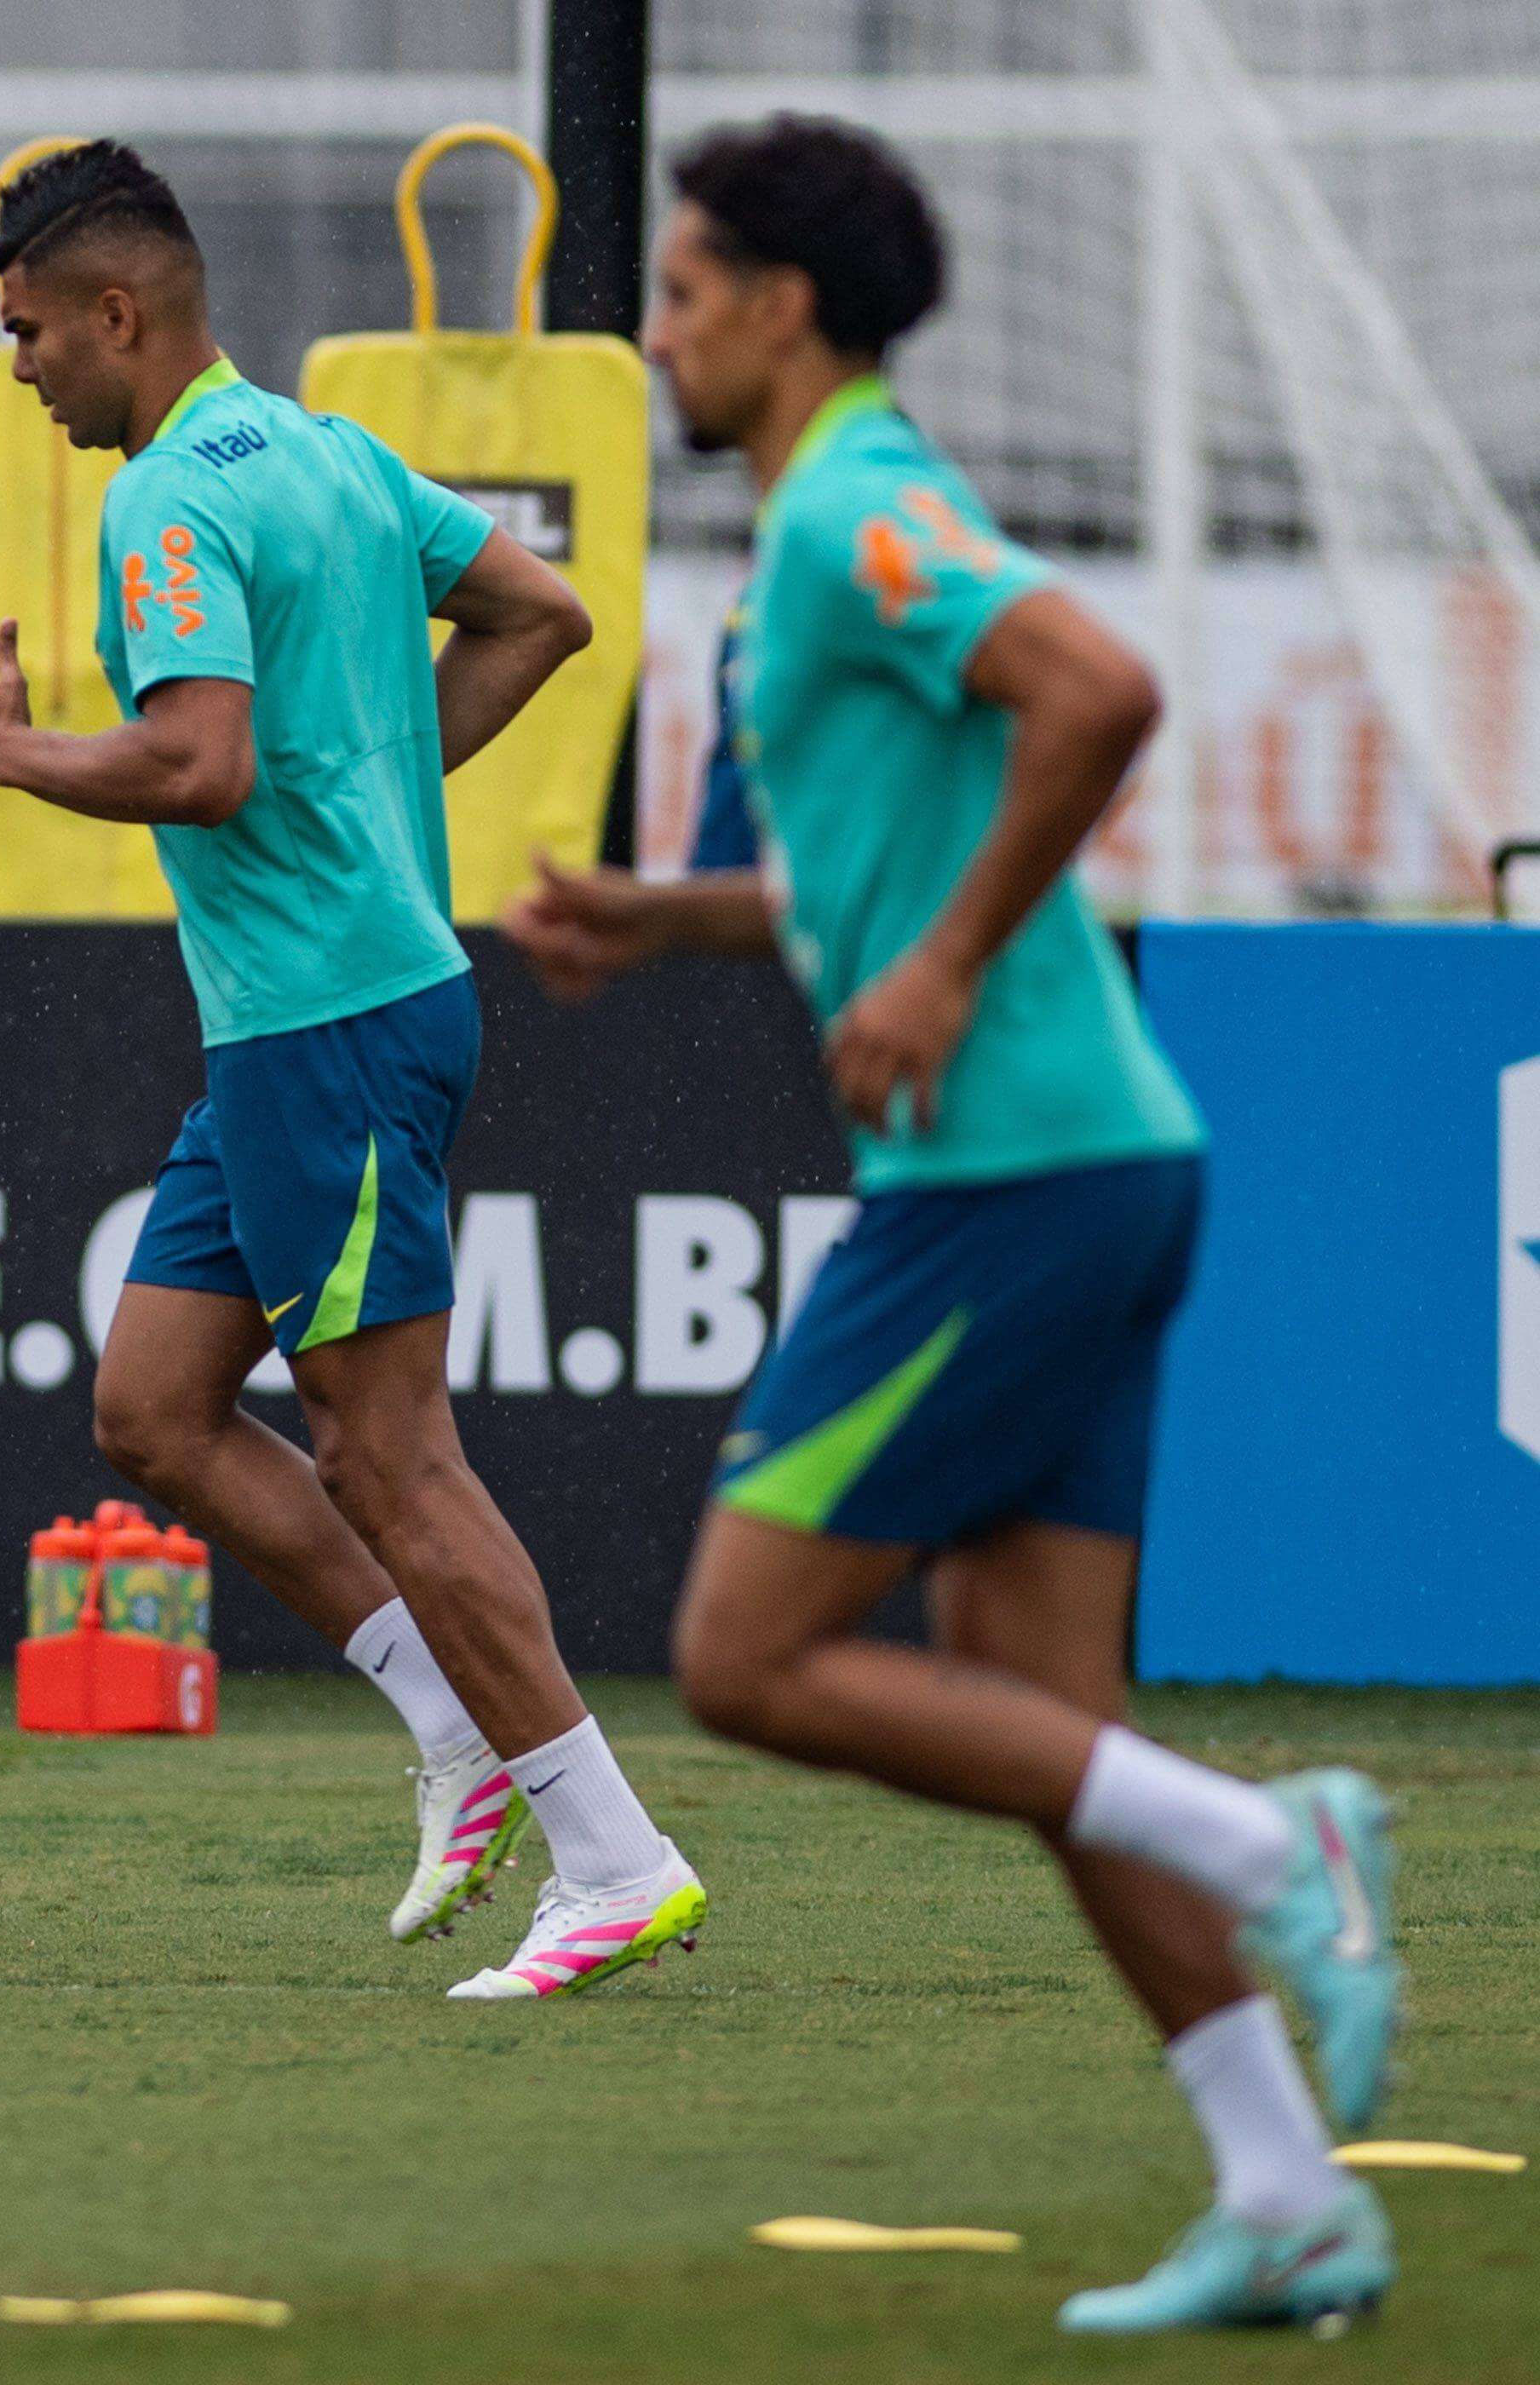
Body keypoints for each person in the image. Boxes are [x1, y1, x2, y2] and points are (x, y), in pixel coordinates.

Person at [500, 115, 1399, 2334]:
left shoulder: (853, 505)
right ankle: (1288, 2195)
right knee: (1041, 1716)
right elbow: (864, 873)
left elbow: (1100, 693)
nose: (659, 330)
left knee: (742, 1656)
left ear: (785, 311)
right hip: (1084, 1161)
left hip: (1015, 1180)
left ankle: (1281, 1848)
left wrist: (940, 972)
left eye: (687, 288)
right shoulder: (834, 514)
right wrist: (676, 917)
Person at [0, 140, 704, 1992]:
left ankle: (612, 1851)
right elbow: (545, 612)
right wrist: (367, 787)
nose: (21, 365)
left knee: (387, 1449)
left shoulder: (168, 501)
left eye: (32, 330)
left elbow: (198, 762)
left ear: (121, 313)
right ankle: (454, 1719)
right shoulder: (337, 453)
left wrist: (10, 756)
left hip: (325, 1022)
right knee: (154, 1408)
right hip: (319, 1011)